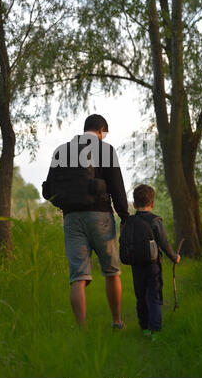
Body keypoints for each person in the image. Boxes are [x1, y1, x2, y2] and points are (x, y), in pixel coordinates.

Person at [45, 114, 129, 328]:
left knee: (78, 276)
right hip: (100, 215)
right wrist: (125, 216)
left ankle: (82, 329)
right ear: (101, 130)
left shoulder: (61, 151)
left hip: (71, 218)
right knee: (112, 271)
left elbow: (48, 190)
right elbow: (117, 188)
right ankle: (117, 322)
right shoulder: (106, 150)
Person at [130, 184, 180, 339]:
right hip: (153, 266)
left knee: (140, 297)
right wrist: (174, 257)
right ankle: (155, 333)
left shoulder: (130, 221)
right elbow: (164, 243)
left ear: (134, 204)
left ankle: (144, 329)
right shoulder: (156, 221)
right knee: (154, 297)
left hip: (136, 266)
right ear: (152, 203)